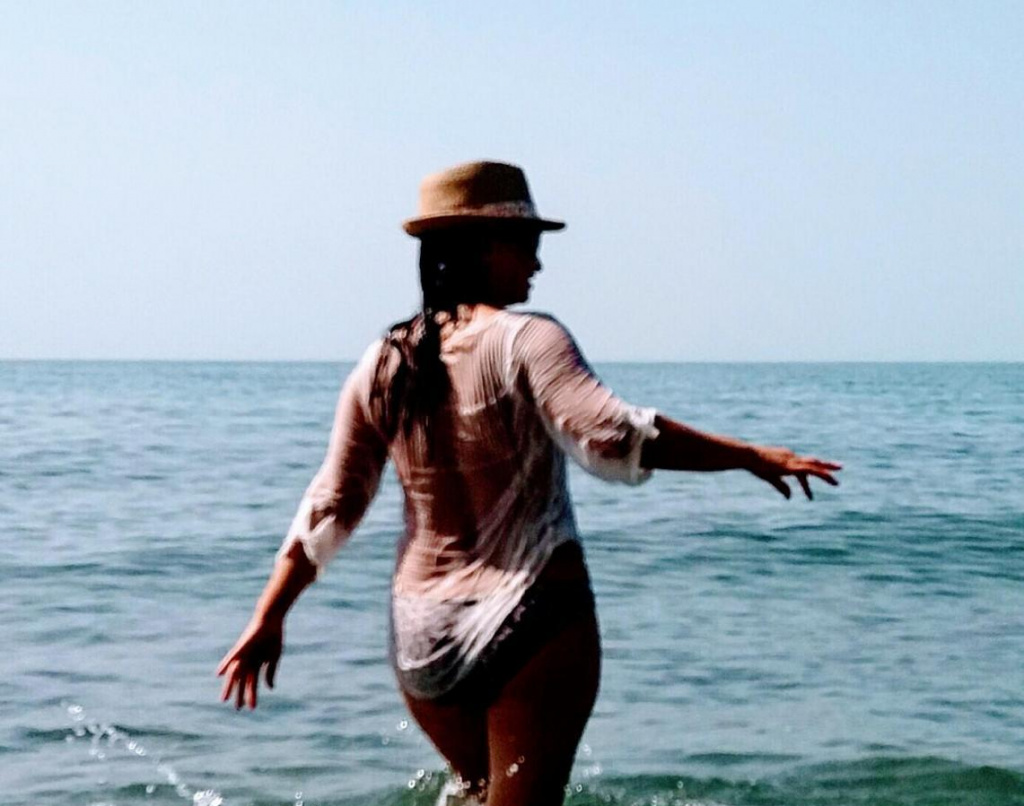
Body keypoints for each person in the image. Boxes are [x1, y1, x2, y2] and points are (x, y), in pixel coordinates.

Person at [217, 161, 841, 806]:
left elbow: (332, 506)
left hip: (423, 640)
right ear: (485, 246)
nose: (538, 264)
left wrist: (269, 617)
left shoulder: (382, 363)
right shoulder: (526, 338)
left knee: (476, 794)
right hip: (531, 617)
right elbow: (613, 434)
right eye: (528, 243)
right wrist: (748, 455)